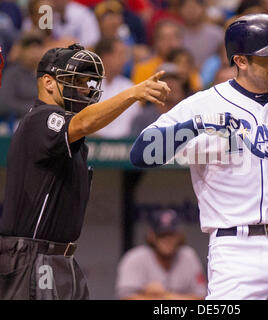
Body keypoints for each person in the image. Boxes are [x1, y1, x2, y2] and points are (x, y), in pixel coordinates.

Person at [130, 14, 268, 300]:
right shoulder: (203, 104)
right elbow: (141, 155)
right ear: (241, 61)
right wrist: (195, 126)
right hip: (237, 248)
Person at [0, 43, 170, 300]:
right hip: (32, 256)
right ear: (48, 82)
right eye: (75, 80)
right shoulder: (42, 117)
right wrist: (133, 93)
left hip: (60, 258)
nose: (84, 88)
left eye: (86, 81)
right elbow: (86, 122)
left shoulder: (61, 125)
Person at [115, 208, 207, 299]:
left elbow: (201, 297)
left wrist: (164, 295)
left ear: (179, 235)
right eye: (162, 235)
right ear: (151, 236)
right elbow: (126, 297)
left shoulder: (188, 256)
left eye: (171, 234)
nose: (167, 240)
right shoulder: (135, 258)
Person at [93, 37, 141, 139]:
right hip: (90, 144)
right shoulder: (86, 85)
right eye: (120, 55)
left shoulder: (130, 87)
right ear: (105, 57)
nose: (124, 60)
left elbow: (135, 123)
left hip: (124, 147)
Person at [0, 32, 45, 121]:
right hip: (18, 121)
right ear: (22, 51)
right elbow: (4, 103)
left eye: (38, 48)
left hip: (44, 121)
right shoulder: (12, 74)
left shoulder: (47, 74)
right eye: (30, 48)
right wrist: (35, 110)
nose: (34, 52)